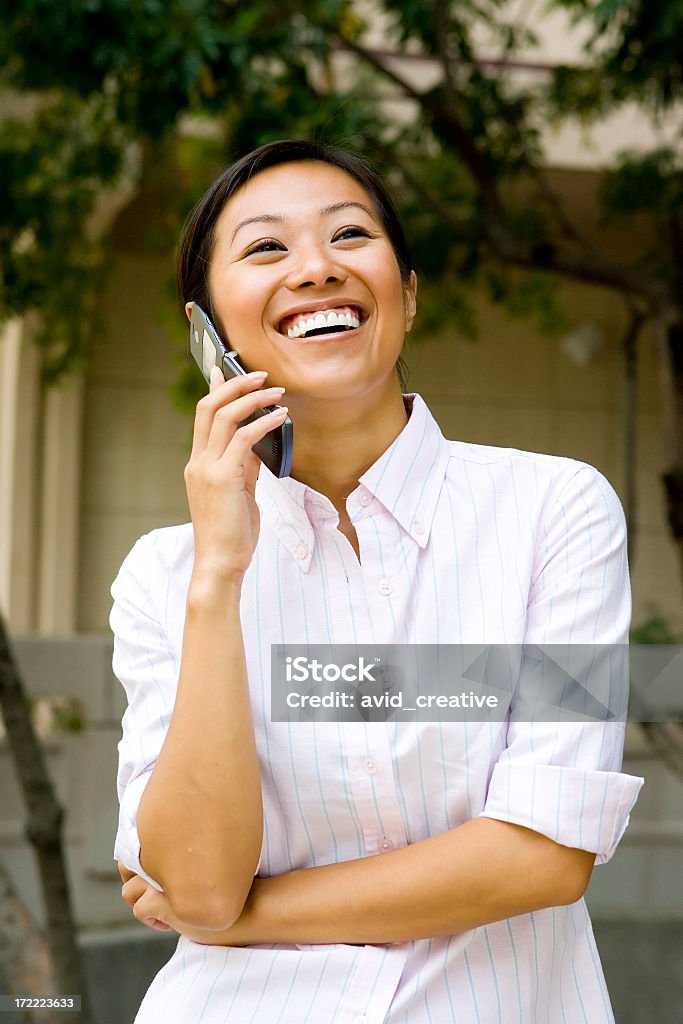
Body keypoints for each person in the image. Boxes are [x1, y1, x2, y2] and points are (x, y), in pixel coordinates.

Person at [111, 138, 644, 1023]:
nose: (316, 269)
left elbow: (541, 858)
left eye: (349, 235)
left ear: (407, 290)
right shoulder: (165, 576)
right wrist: (218, 577)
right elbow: (198, 882)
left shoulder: (555, 509)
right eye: (266, 248)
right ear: (209, 336)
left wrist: (249, 916)